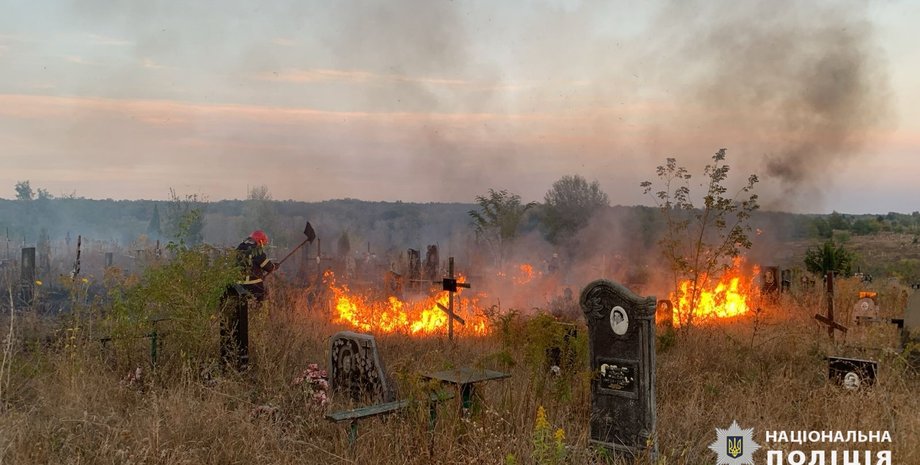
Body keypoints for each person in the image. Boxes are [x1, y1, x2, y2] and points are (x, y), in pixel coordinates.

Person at [220, 230, 276, 369]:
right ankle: (259, 328)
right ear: (260, 241)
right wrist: (273, 266)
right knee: (260, 309)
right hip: (255, 287)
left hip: (239, 287)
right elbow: (267, 265)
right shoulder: (256, 249)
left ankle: (245, 327)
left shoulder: (240, 247)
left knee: (242, 311)